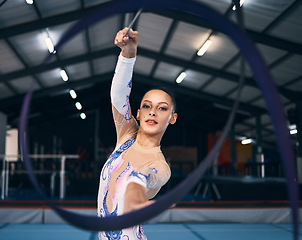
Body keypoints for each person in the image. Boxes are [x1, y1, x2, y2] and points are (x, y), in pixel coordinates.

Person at [97, 27, 178, 240]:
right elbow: (118, 96)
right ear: (139, 113)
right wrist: (128, 55)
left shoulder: (161, 166)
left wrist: (135, 188)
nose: (153, 111)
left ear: (172, 117)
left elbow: (145, 176)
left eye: (162, 108)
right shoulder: (126, 135)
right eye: (147, 106)